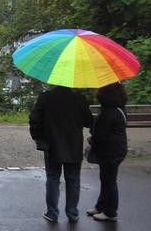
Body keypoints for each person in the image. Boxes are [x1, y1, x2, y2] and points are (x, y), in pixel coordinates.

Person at [29, 85, 94, 223]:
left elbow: (34, 119)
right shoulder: (79, 98)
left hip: (51, 145)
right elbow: (88, 121)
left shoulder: (45, 98)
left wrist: (38, 138)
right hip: (74, 145)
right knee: (73, 179)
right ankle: (72, 213)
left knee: (52, 178)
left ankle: (52, 213)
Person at [88, 82, 128, 222]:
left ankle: (110, 212)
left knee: (109, 181)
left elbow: (100, 135)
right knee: (106, 179)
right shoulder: (119, 109)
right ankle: (101, 206)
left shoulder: (109, 112)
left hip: (110, 151)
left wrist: (92, 137)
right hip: (117, 149)